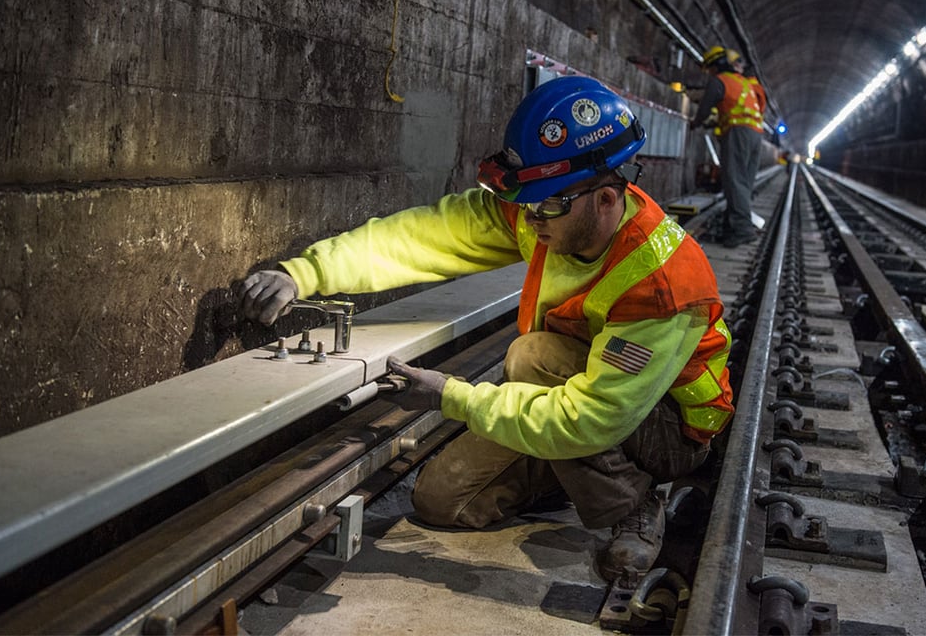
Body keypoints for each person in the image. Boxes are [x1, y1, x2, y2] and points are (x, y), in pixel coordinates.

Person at [238, 76, 734, 582]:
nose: (532, 219)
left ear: (605, 200)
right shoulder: (546, 209)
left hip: (667, 425)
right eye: (526, 203)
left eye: (547, 206)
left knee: (530, 356)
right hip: (582, 391)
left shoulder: (664, 284)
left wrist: (451, 396)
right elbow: (422, 237)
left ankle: (632, 500)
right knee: (442, 502)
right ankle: (569, 470)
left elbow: (593, 418)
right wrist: (305, 274)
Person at [691, 46, 768, 247]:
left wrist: (696, 123)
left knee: (734, 181)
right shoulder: (746, 82)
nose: (710, 74)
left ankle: (743, 229)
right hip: (756, 134)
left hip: (738, 133)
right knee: (744, 182)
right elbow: (758, 105)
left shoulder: (720, 81)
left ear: (715, 66)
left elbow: (705, 108)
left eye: (709, 69)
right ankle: (732, 223)